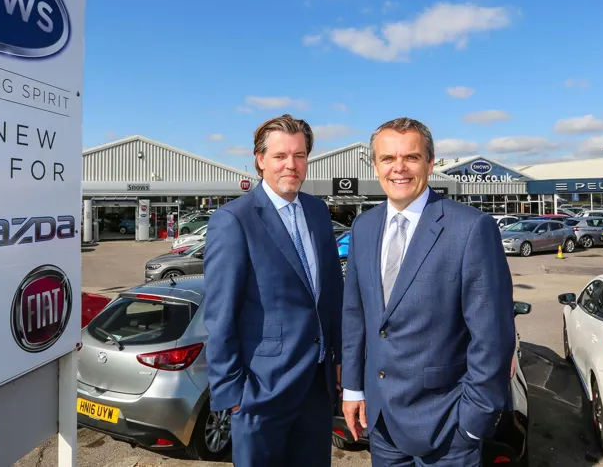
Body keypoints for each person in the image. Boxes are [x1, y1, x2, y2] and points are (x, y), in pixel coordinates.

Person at [341, 117, 516, 467]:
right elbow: (355, 314)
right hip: (381, 422)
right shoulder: (363, 226)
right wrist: (353, 389)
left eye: (411, 157)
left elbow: (493, 337)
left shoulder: (470, 228)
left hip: (447, 426)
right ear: (375, 165)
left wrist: (472, 422)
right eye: (388, 159)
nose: (399, 168)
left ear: (430, 163)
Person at [204, 114, 344, 467]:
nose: (291, 165)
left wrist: (340, 360)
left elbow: (331, 296)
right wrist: (232, 394)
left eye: (299, 156)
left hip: (316, 386)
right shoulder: (234, 220)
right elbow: (220, 315)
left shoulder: (316, 211)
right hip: (261, 392)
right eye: (280, 156)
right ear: (260, 160)